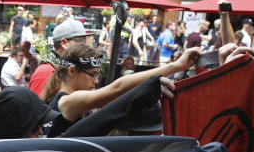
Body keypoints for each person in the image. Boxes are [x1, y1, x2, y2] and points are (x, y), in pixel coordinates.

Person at [42, 42, 197, 137]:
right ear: (71, 71)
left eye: (98, 76)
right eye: (92, 75)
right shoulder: (68, 102)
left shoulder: (63, 100)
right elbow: (117, 87)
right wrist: (175, 66)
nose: (96, 81)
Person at [28, 18, 89, 96]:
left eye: (84, 42)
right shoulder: (46, 71)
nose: (84, 47)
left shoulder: (67, 67)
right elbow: (37, 106)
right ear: (64, 43)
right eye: (80, 42)